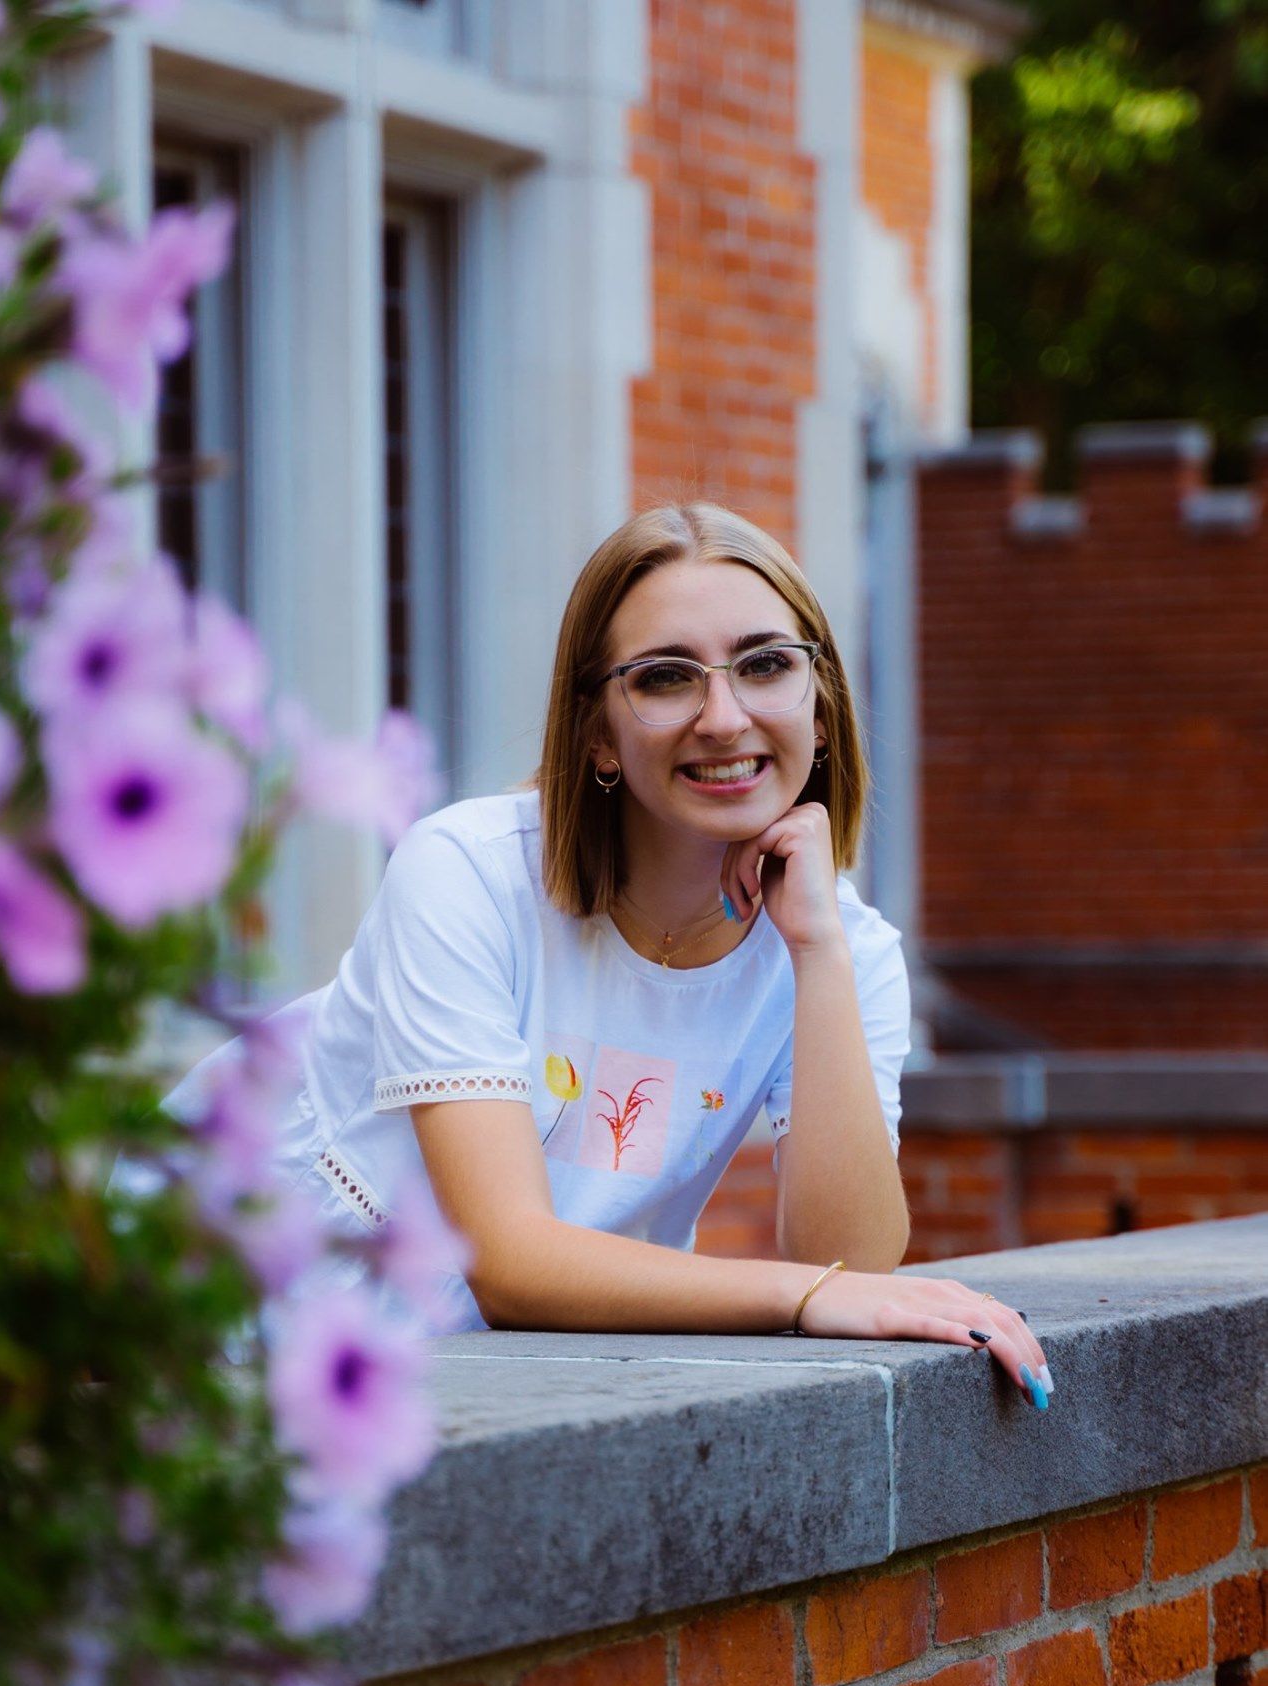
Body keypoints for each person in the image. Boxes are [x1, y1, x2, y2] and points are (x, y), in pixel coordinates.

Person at [198, 503, 1052, 1406]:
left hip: (473, 1375)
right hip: (213, 1309)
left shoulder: (841, 947)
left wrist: (816, 951)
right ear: (598, 732)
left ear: (822, 707)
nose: (723, 717)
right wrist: (801, 1296)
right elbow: (508, 1261)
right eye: (664, 678)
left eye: (766, 665)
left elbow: (848, 1263)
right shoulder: (467, 873)